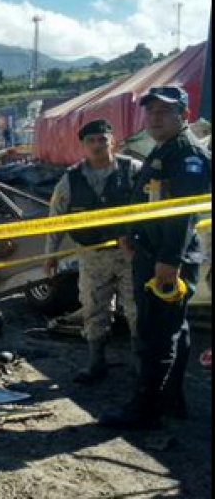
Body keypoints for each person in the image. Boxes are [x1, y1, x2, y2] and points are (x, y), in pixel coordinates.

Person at [101, 87, 213, 430]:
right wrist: (130, 231)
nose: (155, 118)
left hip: (167, 259)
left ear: (185, 115)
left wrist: (168, 261)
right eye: (150, 113)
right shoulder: (163, 149)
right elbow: (147, 199)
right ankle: (171, 400)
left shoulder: (187, 154)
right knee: (173, 328)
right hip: (152, 253)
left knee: (155, 333)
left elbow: (182, 215)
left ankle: (146, 409)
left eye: (164, 112)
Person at [45, 120, 142, 384]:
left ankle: (140, 366)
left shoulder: (133, 170)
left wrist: (140, 239)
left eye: (102, 139)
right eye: (92, 141)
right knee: (93, 307)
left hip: (129, 255)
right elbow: (56, 218)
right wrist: (50, 255)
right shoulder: (71, 179)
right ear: (83, 146)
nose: (98, 145)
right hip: (91, 256)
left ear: (113, 142)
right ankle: (96, 364)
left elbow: (154, 207)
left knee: (137, 309)